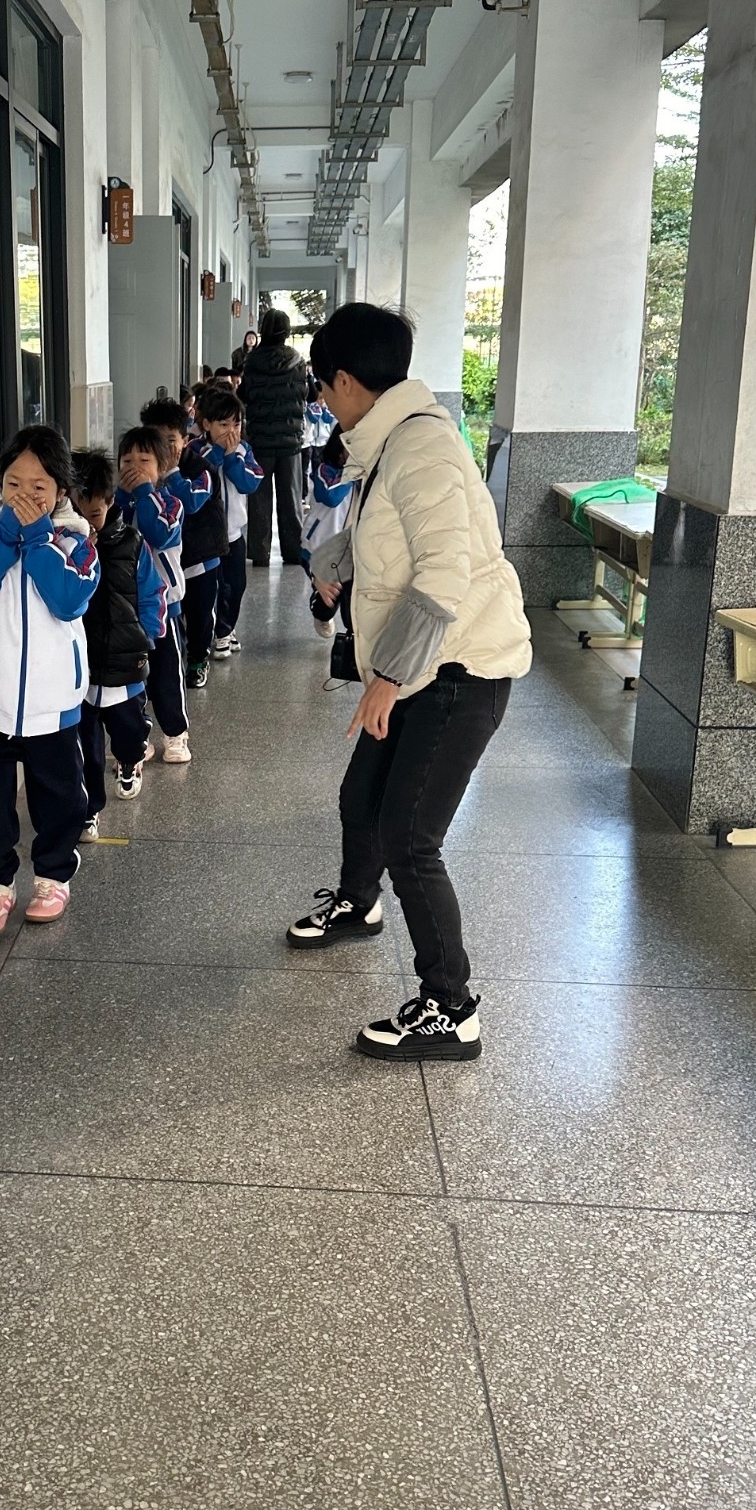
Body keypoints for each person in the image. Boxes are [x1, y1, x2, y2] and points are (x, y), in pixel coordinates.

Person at [286, 303, 532, 1061]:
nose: (321, 399)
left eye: (321, 385)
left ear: (346, 381)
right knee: (360, 798)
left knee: (410, 837)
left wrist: (386, 678)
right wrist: (333, 566)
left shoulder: (420, 448)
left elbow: (443, 574)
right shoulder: (393, 439)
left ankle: (451, 1006)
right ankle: (358, 905)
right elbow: (386, 535)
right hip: (424, 664)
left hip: (458, 669)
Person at [0, 425, 100, 935]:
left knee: (58, 798)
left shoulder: (77, 542)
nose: (25, 496)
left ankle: (53, 877)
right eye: (14, 484)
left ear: (61, 489)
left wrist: (37, 539)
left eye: (39, 486)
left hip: (52, 706)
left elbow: (68, 600)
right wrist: (6, 539)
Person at [71, 449, 166, 836]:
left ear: (111, 502)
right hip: (84, 669)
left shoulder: (132, 543)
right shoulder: (66, 546)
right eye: (80, 512)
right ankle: (89, 808)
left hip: (126, 663)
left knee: (128, 732)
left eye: (95, 513)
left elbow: (152, 593)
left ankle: (130, 760)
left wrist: (147, 635)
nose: (88, 521)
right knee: (87, 747)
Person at [117, 418, 192, 764]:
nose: (134, 467)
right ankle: (137, 738)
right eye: (127, 461)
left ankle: (176, 733)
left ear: (161, 468)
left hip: (165, 610)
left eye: (144, 461)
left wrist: (145, 493)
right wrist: (123, 497)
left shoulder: (170, 505)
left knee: (167, 676)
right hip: (123, 611)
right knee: (132, 681)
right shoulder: (117, 507)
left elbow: (157, 533)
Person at [183, 384, 262, 661]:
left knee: (236, 585)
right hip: (205, 537)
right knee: (210, 589)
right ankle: (217, 633)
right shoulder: (196, 450)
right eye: (224, 424)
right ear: (207, 424)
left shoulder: (243, 450)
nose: (231, 431)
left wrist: (232, 458)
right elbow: (199, 472)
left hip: (233, 534)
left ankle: (226, 627)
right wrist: (219, 453)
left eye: (236, 424)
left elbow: (249, 483)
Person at [239, 309, 311, 567]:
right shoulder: (297, 361)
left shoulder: (252, 361)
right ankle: (293, 552)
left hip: (260, 441)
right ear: (286, 331)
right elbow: (309, 394)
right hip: (290, 442)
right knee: (290, 498)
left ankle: (260, 553)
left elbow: (244, 395)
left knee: (259, 499)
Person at [175, 392, 229, 691]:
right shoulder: (147, 469)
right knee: (171, 613)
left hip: (202, 554)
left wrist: (170, 475)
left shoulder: (202, 469)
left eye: (171, 440)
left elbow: (192, 502)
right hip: (168, 559)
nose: (164, 448)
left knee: (200, 613)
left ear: (185, 440)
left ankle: (197, 660)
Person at [300, 424, 353, 640]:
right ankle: (322, 614)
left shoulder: (365, 477)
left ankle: (352, 636)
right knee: (328, 602)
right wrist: (353, 473)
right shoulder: (324, 471)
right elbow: (331, 497)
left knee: (352, 604)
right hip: (319, 550)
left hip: (351, 553)